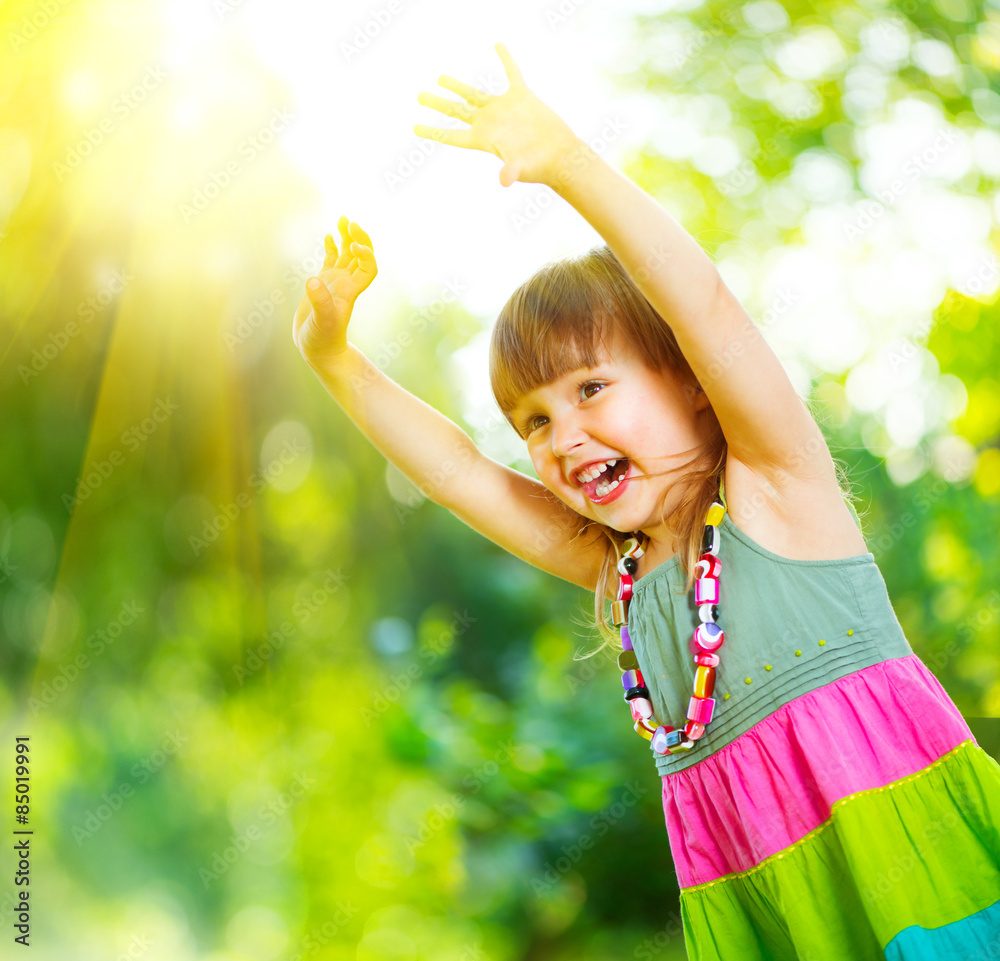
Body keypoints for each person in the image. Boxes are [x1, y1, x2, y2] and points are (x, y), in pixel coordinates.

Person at [292, 42, 1000, 961]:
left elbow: (700, 300)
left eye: (590, 389)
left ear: (693, 382)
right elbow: (462, 471)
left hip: (920, 882)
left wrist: (567, 164)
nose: (562, 437)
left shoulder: (774, 486)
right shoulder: (618, 568)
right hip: (772, 918)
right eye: (534, 421)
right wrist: (336, 360)